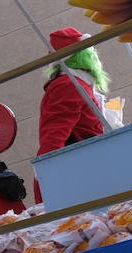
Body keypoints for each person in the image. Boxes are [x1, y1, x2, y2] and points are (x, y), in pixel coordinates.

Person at [39, 27, 110, 156]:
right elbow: (55, 133)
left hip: (89, 156)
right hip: (83, 159)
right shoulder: (69, 84)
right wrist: (47, 171)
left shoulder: (78, 83)